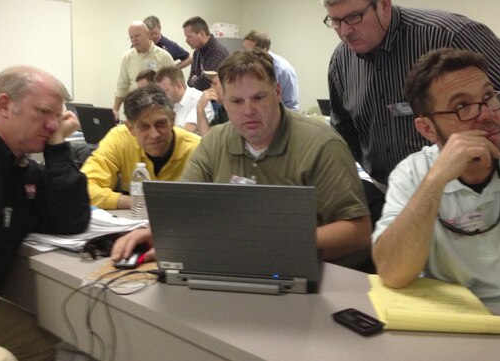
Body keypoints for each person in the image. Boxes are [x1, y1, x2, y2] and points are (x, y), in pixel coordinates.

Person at [112, 49, 371, 267]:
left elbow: (358, 231)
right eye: (236, 101)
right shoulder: (214, 142)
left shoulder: (322, 144)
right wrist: (156, 235)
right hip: (231, 261)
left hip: (311, 270)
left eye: (258, 97)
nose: (248, 111)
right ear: (223, 101)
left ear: (278, 92)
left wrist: (276, 243)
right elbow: (185, 212)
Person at [322, 0, 500, 188]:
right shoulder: (341, 61)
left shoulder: (453, 36)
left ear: (385, 4)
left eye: (353, 17)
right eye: (335, 21)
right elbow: (345, 133)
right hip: (391, 190)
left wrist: (493, 179)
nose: (344, 31)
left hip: (472, 187)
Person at [372, 48, 500, 312]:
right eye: (462, 106)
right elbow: (393, 273)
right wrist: (435, 181)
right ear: (427, 128)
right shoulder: (412, 174)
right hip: (457, 323)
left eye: (488, 97)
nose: (486, 114)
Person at [0, 66, 90, 361]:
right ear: (5, 105)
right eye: (44, 112)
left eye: (57, 117)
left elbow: (72, 219)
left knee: (54, 346)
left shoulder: (23, 172)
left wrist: (58, 145)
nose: (52, 125)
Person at [81, 85, 201, 210]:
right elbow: (83, 189)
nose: (154, 135)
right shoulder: (119, 139)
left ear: (172, 119)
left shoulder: (197, 148)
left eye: (160, 124)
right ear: (130, 128)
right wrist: (134, 202)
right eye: (144, 127)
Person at [113, 21, 175, 120]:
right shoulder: (127, 58)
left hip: (157, 109)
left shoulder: (164, 57)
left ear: (147, 34)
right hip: (134, 109)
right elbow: (122, 85)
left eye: (137, 36)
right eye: (131, 37)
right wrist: (115, 110)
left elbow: (174, 84)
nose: (134, 40)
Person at [243, 30, 300, 111]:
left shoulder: (283, 70)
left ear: (264, 50)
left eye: (250, 51)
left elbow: (291, 106)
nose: (246, 54)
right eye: (245, 49)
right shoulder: (246, 66)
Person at [154, 66, 214, 134]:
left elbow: (187, 132)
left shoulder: (198, 99)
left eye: (166, 91)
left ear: (179, 86)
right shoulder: (171, 103)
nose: (163, 95)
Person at [183, 16, 230, 92]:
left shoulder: (217, 51)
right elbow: (190, 81)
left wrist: (195, 79)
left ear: (202, 34)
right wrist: (195, 79)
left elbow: (205, 83)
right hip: (201, 96)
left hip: (217, 100)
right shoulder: (197, 52)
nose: (186, 41)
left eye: (189, 37)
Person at [196, 70, 229, 136]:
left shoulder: (240, 109)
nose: (211, 88)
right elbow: (207, 138)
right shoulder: (221, 111)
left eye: (214, 84)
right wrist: (200, 109)